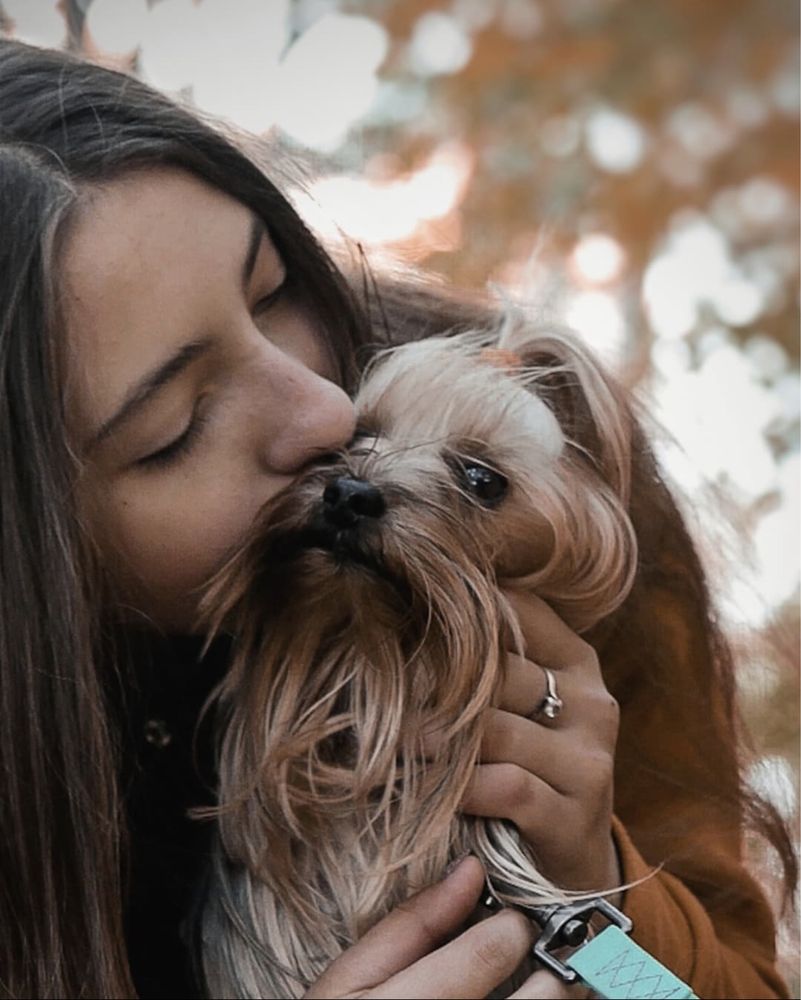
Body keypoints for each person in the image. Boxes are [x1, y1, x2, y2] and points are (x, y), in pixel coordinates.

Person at [0, 38, 794, 1000]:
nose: (327, 416)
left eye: (272, 290)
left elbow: (680, 994)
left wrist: (593, 904)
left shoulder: (556, 500)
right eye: (176, 425)